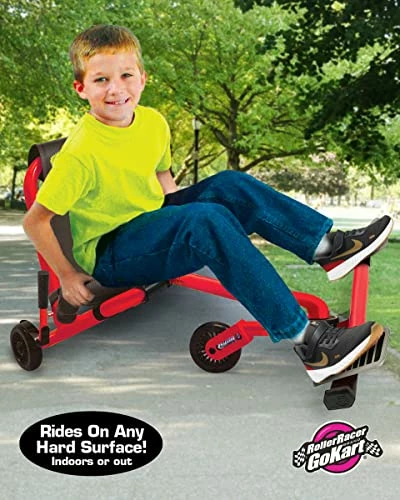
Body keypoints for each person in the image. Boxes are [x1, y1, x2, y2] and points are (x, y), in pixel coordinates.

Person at [23, 24, 393, 385]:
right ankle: (310, 344)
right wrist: (67, 276)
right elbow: (35, 222)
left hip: (151, 221)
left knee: (230, 185)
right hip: (110, 252)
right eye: (101, 79)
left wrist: (181, 213)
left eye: (126, 75)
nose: (116, 89)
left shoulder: (152, 123)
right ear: (81, 88)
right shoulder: (80, 154)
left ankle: (327, 249)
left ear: (143, 78)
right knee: (206, 220)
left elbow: (162, 176)